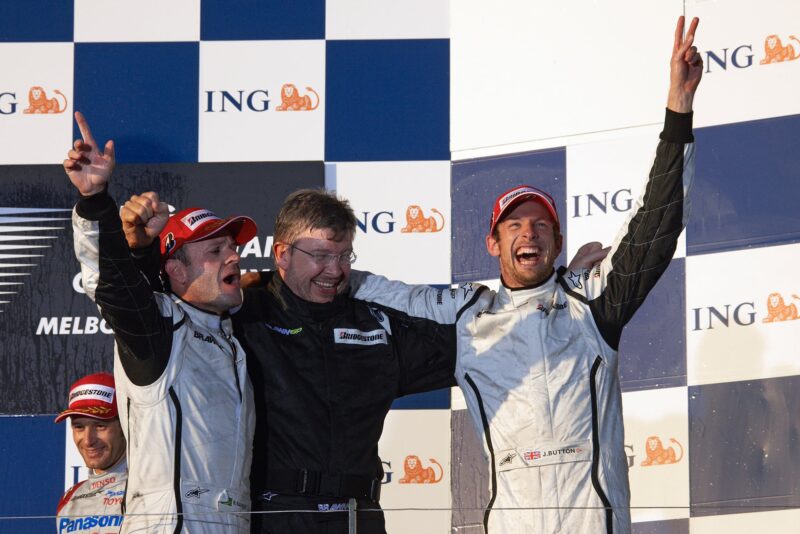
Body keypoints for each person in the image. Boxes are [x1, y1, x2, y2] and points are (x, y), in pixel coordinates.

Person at [348, 16, 703, 534]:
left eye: (541, 225)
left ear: (557, 244)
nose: (528, 234)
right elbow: (389, 296)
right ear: (493, 243)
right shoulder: (468, 321)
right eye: (514, 225)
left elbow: (658, 220)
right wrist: (304, 272)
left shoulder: (594, 304)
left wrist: (678, 108)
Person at [124, 188, 458, 534]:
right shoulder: (239, 314)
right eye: (322, 255)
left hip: (359, 516)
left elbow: (469, 354)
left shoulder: (377, 324)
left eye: (345, 257)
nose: (336, 270)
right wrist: (139, 250)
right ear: (282, 254)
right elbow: (156, 308)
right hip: (274, 515)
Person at [64, 112, 257, 533]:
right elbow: (113, 287)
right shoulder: (159, 332)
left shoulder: (232, 335)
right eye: (216, 250)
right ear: (178, 271)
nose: (234, 257)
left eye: (234, 247)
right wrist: (96, 200)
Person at [55, 372, 127, 534]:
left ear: (125, 425)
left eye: (100, 426)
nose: (88, 440)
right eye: (79, 427)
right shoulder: (70, 500)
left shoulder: (155, 489)